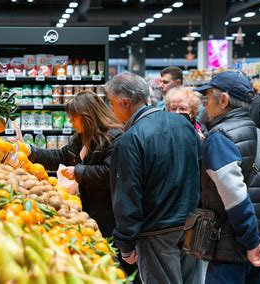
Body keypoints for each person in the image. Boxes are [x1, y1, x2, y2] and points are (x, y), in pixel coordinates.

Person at [26, 91, 138, 278]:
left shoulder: (115, 138)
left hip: (108, 214)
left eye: (73, 117)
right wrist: (31, 151)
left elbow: (110, 172)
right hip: (88, 211)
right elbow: (61, 156)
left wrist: (79, 172)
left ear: (87, 117)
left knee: (112, 264)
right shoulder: (83, 137)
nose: (70, 121)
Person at [105, 72, 201, 284]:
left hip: (157, 231)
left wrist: (126, 243)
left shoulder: (130, 139)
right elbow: (200, 170)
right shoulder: (183, 125)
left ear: (125, 102)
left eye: (112, 104)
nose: (111, 110)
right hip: (191, 225)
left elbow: (127, 195)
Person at [194, 70, 260, 283]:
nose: (205, 106)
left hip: (233, 247)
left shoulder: (220, 137)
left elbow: (235, 195)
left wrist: (250, 241)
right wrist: (255, 241)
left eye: (208, 98)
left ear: (223, 100)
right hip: (257, 245)